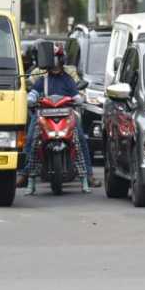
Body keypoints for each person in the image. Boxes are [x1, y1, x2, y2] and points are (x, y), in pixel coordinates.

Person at [25, 45, 90, 194]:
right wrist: (31, 98)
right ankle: (28, 178)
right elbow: (34, 92)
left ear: (62, 60)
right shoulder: (43, 79)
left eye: (58, 60)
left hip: (66, 115)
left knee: (78, 139)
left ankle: (86, 177)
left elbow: (76, 95)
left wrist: (78, 99)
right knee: (33, 141)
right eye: (52, 60)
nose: (55, 63)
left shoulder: (68, 78)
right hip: (44, 114)